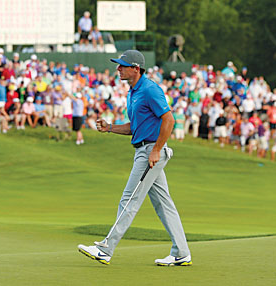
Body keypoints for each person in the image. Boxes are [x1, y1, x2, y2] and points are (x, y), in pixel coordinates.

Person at [78, 50, 191, 266]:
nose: (118, 68)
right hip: (144, 149)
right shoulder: (133, 93)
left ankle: (105, 249)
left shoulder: (150, 90)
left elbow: (169, 120)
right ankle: (181, 252)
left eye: (122, 65)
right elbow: (135, 127)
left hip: (150, 152)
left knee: (129, 199)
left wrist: (157, 149)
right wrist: (110, 128)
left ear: (136, 69)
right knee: (164, 204)